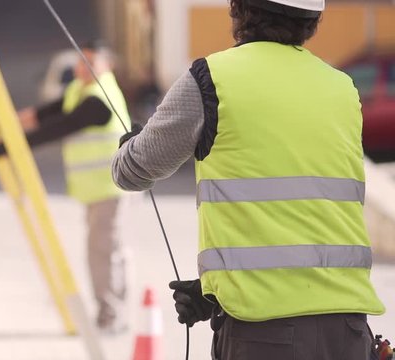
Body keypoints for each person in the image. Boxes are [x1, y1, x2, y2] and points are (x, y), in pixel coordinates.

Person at [112, 0, 385, 358]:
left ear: (240, 10)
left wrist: (128, 146)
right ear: (313, 19)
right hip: (348, 333)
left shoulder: (212, 79)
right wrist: (217, 290)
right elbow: (304, 214)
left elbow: (132, 171)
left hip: (263, 334)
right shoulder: (342, 90)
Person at [0, 41, 130, 333]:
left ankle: (110, 314)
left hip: (109, 188)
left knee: (102, 252)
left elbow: (60, 127)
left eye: (92, 62)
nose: (85, 67)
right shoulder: (78, 90)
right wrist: (4, 123)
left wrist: (8, 146)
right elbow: (45, 115)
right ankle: (113, 311)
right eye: (81, 62)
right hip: (98, 189)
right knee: (108, 250)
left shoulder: (99, 98)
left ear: (107, 66)